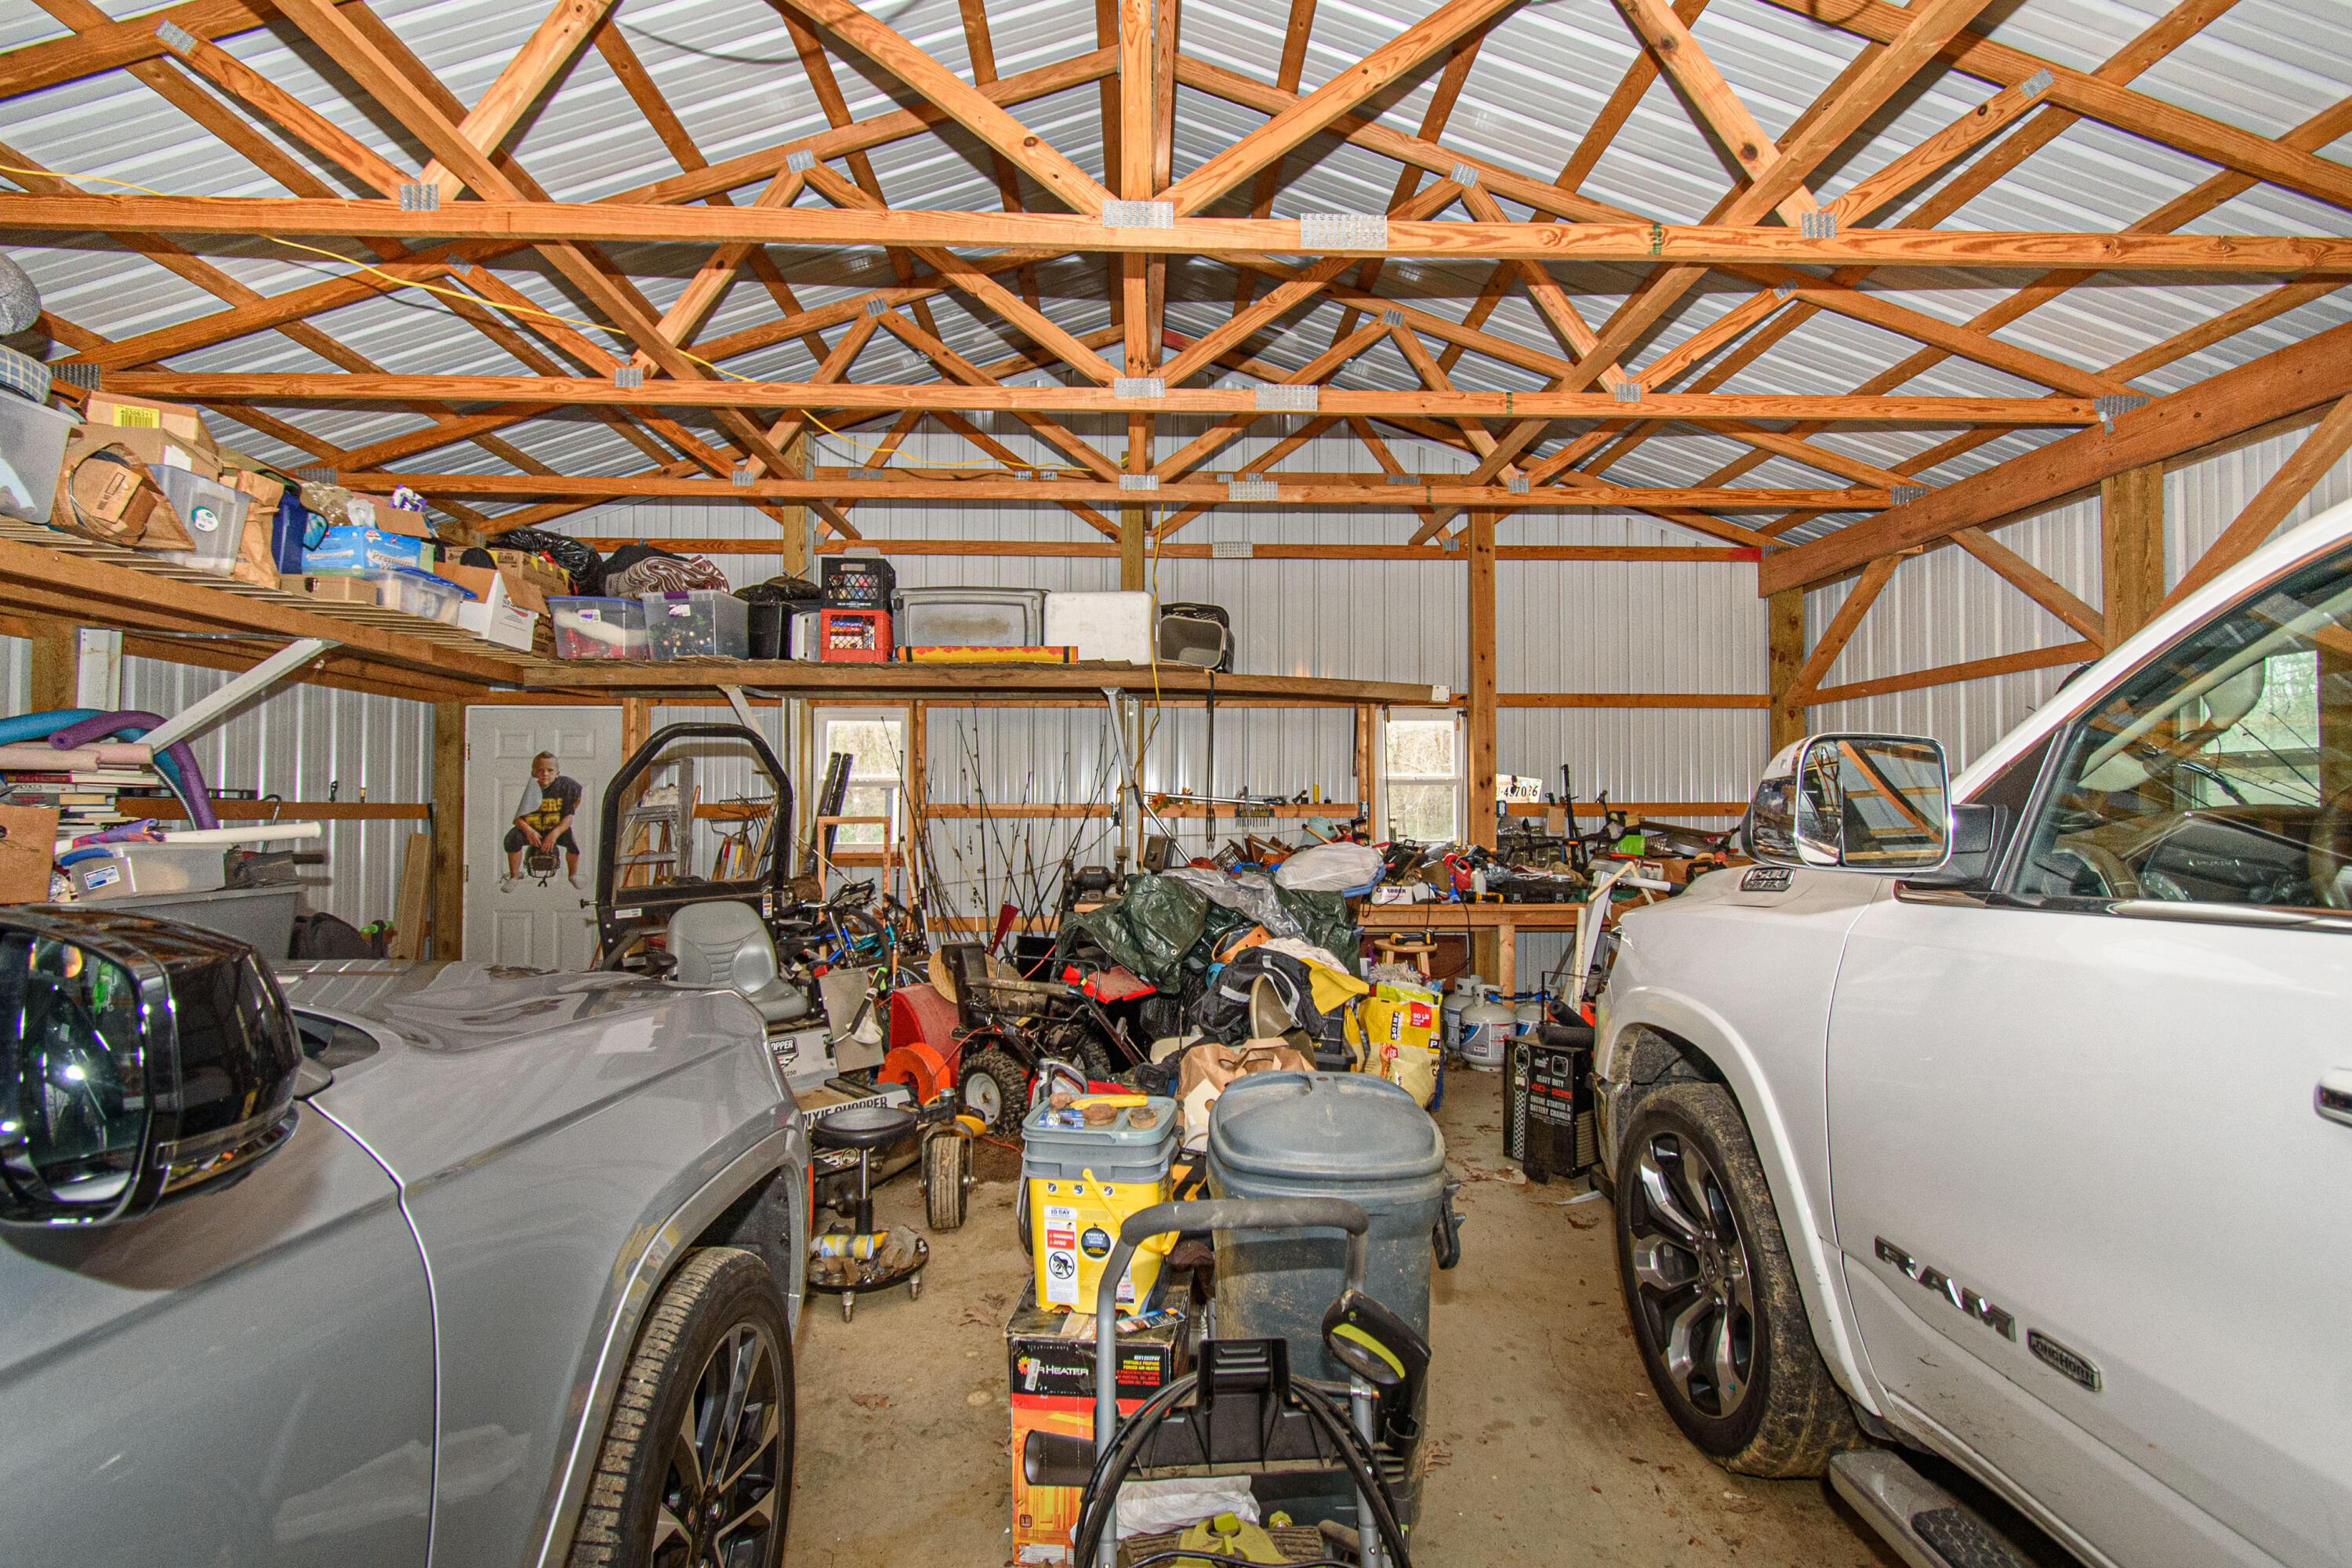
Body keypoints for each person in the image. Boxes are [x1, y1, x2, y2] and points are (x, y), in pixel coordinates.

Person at [502, 752, 584, 891]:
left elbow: (568, 818)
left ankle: (573, 875)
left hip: (554, 827)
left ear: (558, 772)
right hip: (533, 828)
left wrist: (554, 834)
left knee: (572, 845)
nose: (545, 774)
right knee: (512, 839)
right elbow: (517, 819)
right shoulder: (529, 787)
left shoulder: (565, 786)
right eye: (540, 770)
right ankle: (514, 877)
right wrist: (529, 832)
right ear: (533, 772)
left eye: (550, 770)